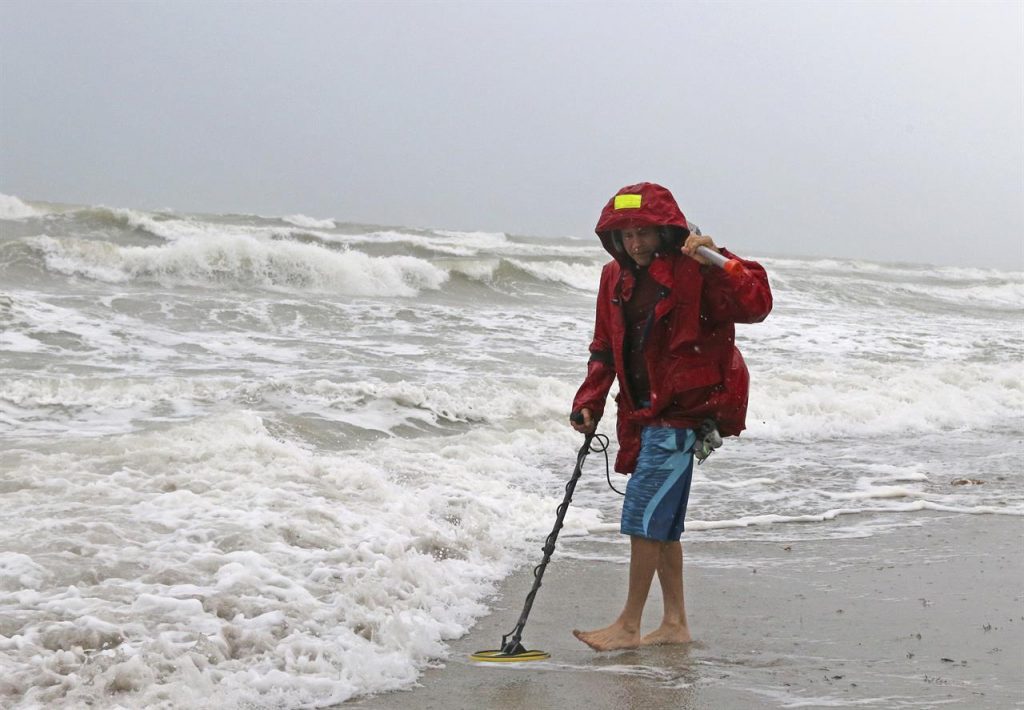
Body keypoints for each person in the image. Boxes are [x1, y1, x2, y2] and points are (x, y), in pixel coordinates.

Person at [570, 182, 772, 651]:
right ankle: (675, 623)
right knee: (662, 522)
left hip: (685, 411)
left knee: (643, 513)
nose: (635, 244)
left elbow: (757, 304)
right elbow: (603, 347)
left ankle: (628, 625)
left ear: (665, 231)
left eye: (643, 232)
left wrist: (717, 258)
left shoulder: (697, 267)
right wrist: (589, 402)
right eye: (625, 235)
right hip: (642, 412)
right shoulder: (611, 277)